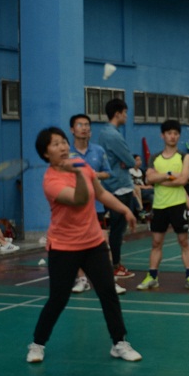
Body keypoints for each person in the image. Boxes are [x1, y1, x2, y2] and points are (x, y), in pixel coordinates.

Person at [25, 127, 141, 365]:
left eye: (63, 142)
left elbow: (100, 194)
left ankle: (119, 343)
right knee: (58, 299)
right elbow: (79, 200)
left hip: (93, 243)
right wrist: (77, 173)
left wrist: (125, 209)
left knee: (108, 293)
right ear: (46, 153)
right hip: (64, 247)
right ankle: (37, 344)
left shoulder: (81, 165)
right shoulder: (51, 181)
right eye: (55, 144)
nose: (62, 147)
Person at [137, 119, 189, 291]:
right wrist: (168, 174)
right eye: (169, 133)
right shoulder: (155, 158)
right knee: (156, 242)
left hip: (178, 205)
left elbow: (182, 180)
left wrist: (160, 180)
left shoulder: (184, 157)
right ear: (163, 135)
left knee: (184, 241)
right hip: (159, 206)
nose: (172, 136)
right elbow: (148, 179)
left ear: (178, 136)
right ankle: (152, 277)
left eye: (175, 133)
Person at [92, 99, 139, 279]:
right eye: (125, 113)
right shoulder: (113, 135)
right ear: (117, 113)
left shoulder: (105, 133)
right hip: (119, 187)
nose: (126, 116)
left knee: (114, 229)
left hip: (111, 186)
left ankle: (112, 264)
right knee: (117, 231)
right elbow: (130, 161)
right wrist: (127, 162)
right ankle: (115, 265)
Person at [68, 113, 112, 294]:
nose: (84, 128)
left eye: (87, 125)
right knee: (77, 245)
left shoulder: (99, 151)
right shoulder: (66, 154)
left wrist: (93, 174)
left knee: (103, 243)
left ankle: (110, 280)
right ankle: (82, 279)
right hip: (75, 206)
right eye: (80, 125)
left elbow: (107, 173)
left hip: (97, 205)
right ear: (72, 129)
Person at [129, 154, 154, 219]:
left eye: (140, 160)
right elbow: (132, 185)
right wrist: (145, 187)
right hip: (137, 192)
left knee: (152, 197)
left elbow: (145, 183)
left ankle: (153, 214)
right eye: (137, 160)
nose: (139, 162)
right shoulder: (130, 171)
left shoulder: (141, 171)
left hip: (145, 191)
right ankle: (141, 210)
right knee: (155, 190)